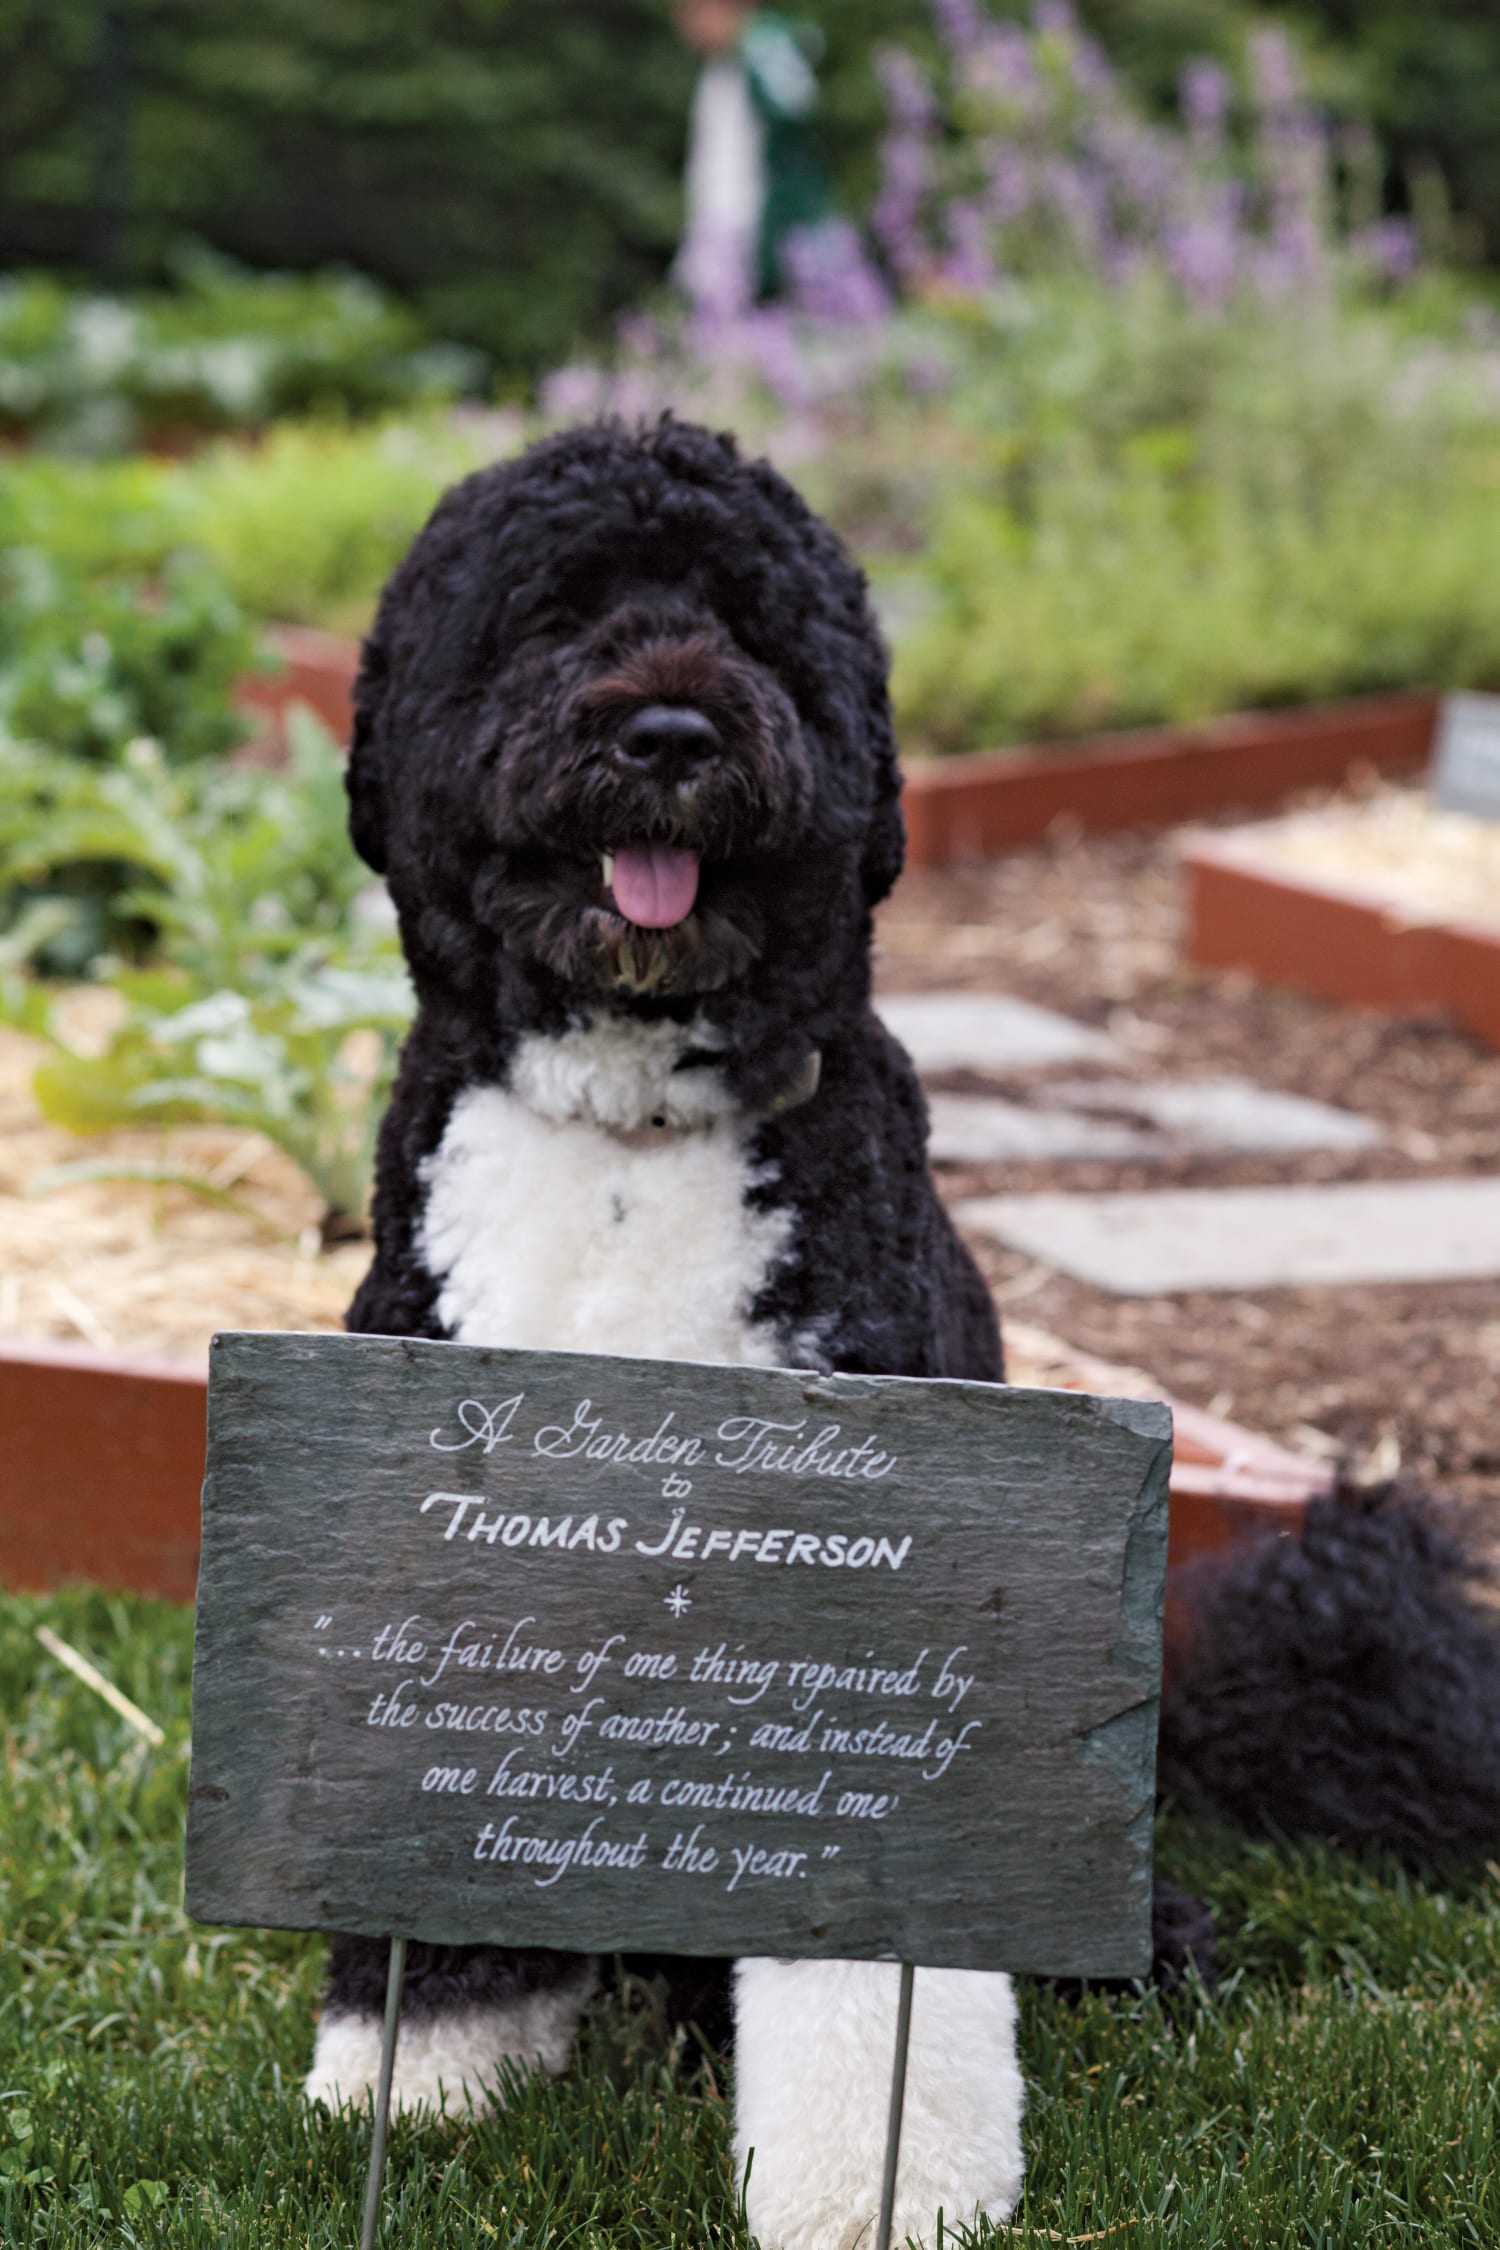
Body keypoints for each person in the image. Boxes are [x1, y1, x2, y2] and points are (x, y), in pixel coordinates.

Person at [673, 0, 829, 315]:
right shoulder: (723, 66)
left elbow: (793, 116)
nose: (681, 21)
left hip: (767, 234)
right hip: (724, 238)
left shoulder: (764, 48)